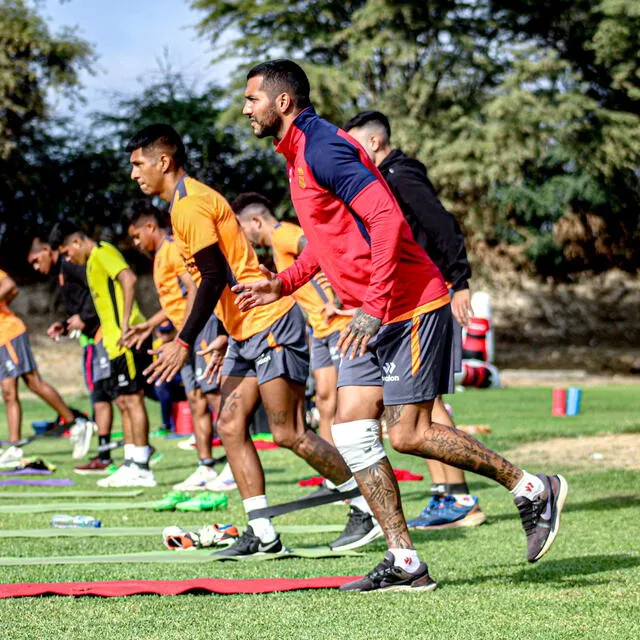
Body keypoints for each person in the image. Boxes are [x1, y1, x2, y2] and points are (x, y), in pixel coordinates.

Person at [235, 59, 568, 592]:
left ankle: (531, 487)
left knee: (408, 433)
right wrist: (286, 282)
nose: (244, 108)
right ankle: (405, 562)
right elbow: (329, 238)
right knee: (350, 432)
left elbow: (386, 219)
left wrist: (372, 305)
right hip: (374, 313)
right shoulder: (297, 155)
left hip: (407, 305)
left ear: (282, 102)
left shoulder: (322, 146)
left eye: (251, 98)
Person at [126, 123, 381, 554]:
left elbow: (209, 279)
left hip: (271, 323)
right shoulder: (184, 206)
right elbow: (225, 275)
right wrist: (227, 333)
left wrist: (183, 341)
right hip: (245, 330)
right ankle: (263, 535)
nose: (134, 173)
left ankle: (367, 509)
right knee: (229, 423)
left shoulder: (189, 205)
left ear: (163, 161)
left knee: (289, 432)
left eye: (137, 164)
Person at [343, 110, 485, 529]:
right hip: (409, 302)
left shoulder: (401, 175)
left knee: (429, 402)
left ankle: (459, 498)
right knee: (414, 405)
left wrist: (459, 281)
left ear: (372, 143)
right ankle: (446, 494)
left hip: (427, 298)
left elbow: (442, 224)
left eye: (353, 146)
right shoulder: (384, 180)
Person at [232, 192, 351, 446]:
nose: (243, 236)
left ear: (255, 221)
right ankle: (337, 474)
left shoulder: (283, 233)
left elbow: (322, 251)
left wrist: (338, 299)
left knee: (351, 404)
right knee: (324, 400)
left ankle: (362, 467)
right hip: (320, 330)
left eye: (242, 228)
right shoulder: (275, 247)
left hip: (339, 324)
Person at [126, 200, 227, 493]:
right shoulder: (158, 256)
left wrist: (184, 333)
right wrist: (149, 324)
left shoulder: (172, 248)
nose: (136, 243)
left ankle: (234, 465)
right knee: (195, 397)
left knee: (213, 395)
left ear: (150, 226)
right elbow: (174, 300)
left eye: (136, 236)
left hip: (199, 328)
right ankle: (206, 466)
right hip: (184, 333)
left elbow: (195, 288)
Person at [57, 224, 156, 488]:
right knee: (123, 401)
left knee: (134, 400)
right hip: (111, 342)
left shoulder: (102, 252)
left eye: (67, 253)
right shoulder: (91, 264)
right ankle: (131, 462)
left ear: (77, 242)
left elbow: (129, 278)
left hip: (127, 338)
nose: (68, 260)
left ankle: (143, 467)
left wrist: (125, 324)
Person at [28, 235, 114, 473]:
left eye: (37, 260)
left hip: (104, 334)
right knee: (102, 395)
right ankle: (105, 454)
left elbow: (96, 290)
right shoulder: (62, 272)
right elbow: (80, 305)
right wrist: (66, 325)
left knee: (123, 395)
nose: (37, 267)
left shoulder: (70, 264)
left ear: (48, 250)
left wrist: (85, 317)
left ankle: (136, 452)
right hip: (91, 337)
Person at [0, 268, 92, 465]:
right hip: (3, 339)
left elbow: (9, 286)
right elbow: (11, 294)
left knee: (25, 385)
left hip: (8, 333)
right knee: (17, 389)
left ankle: (74, 425)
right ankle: (15, 447)